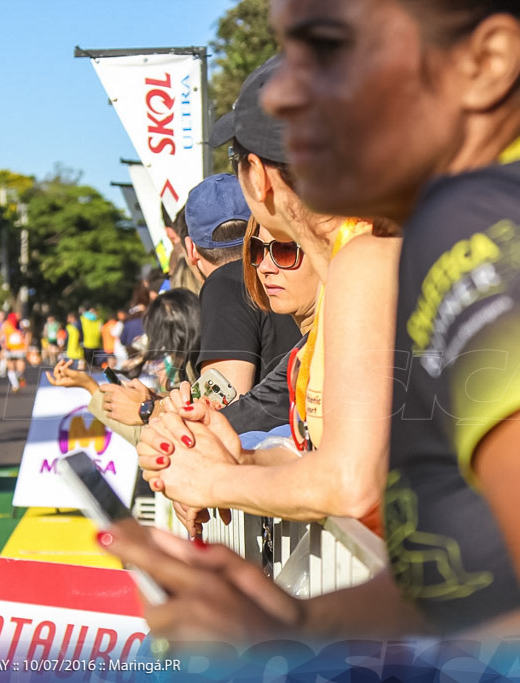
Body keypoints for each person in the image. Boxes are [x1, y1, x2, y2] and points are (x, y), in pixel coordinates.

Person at [106, 0, 520, 642]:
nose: (283, 99)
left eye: (329, 54)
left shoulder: (484, 231)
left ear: (488, 62)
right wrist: (293, 623)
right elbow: (496, 569)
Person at [137, 58, 401, 537]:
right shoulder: (362, 257)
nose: (263, 264)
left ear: (257, 176)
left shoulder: (365, 261)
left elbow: (352, 483)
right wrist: (242, 459)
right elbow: (328, 457)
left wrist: (213, 481)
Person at [183, 173, 301, 396]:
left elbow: (221, 405)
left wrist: (148, 408)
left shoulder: (222, 285)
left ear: (191, 250)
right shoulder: (289, 270)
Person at [46, 289, 202, 446]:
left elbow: (143, 435)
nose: (158, 366)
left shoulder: (199, 396)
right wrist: (154, 401)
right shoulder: (198, 382)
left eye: (161, 355)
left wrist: (145, 410)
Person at [0, 312, 29, 392]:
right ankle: (15, 385)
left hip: (20, 349)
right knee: (11, 367)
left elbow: (27, 334)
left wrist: (26, 345)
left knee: (20, 367)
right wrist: (2, 345)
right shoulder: (6, 324)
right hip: (9, 349)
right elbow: (0, 335)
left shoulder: (21, 324)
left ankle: (20, 376)